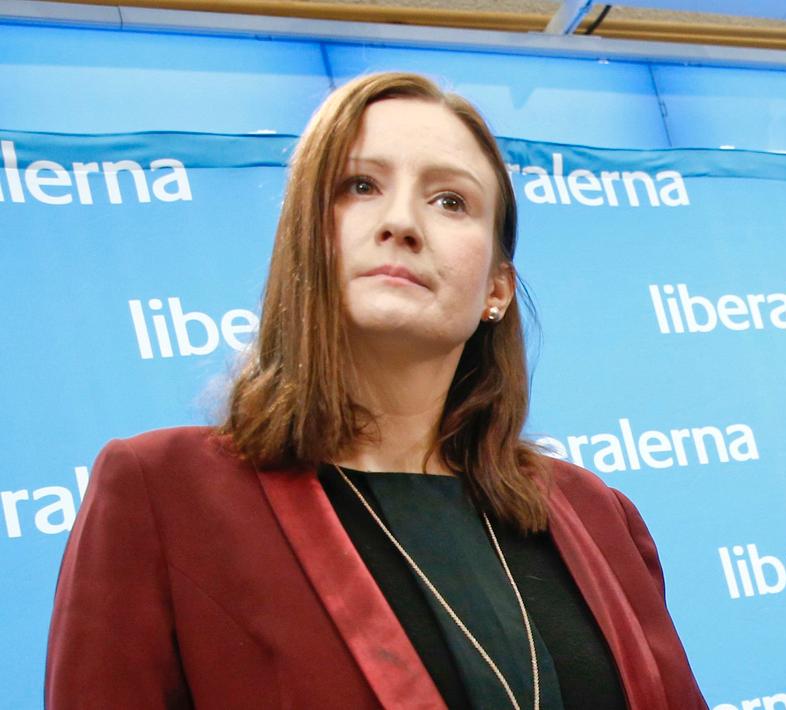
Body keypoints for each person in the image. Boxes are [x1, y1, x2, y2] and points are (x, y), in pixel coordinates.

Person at [46, 72, 706, 710]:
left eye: (451, 201)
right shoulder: (162, 494)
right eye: (360, 186)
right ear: (307, 240)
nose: (401, 222)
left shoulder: (598, 515)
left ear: (497, 290)